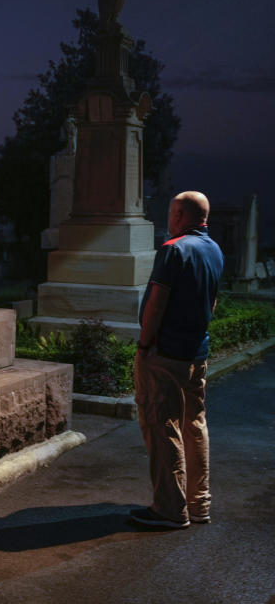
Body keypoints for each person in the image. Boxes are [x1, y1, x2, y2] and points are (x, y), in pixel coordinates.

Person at [131, 191, 224, 528]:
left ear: (179, 215)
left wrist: (144, 345)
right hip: (196, 353)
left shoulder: (174, 250)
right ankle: (200, 505)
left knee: (162, 426)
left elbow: (157, 302)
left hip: (164, 354)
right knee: (194, 425)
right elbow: (212, 304)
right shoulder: (214, 250)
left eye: (172, 213)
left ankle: (170, 509)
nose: (169, 219)